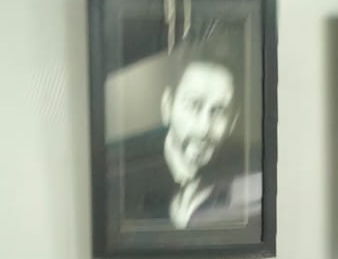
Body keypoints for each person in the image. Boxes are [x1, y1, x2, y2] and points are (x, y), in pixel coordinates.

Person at [110, 35, 258, 232]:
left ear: (233, 121)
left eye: (218, 111)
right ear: (167, 107)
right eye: (193, 105)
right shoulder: (120, 179)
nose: (204, 128)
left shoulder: (248, 174)